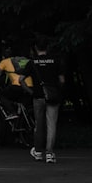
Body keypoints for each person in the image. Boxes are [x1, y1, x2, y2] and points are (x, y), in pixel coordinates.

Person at [29, 35, 66, 164]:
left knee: (38, 125)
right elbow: (62, 80)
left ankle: (38, 153)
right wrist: (55, 89)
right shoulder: (56, 61)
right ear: (47, 47)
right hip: (53, 97)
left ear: (35, 47)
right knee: (51, 125)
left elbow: (22, 79)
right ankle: (50, 154)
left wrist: (31, 91)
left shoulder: (32, 62)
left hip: (38, 96)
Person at [0, 45, 33, 120]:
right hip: (30, 86)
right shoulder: (27, 60)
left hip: (18, 85)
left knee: (1, 96)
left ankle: (12, 112)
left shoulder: (4, 62)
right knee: (21, 102)